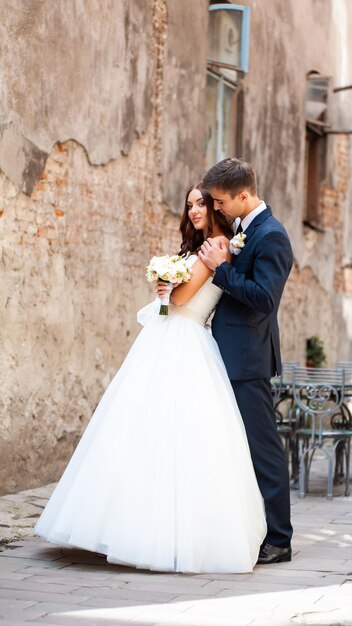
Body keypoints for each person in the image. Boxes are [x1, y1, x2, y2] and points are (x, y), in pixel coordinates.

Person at [35, 183, 267, 574]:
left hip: (187, 341)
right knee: (138, 430)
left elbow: (179, 301)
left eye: (202, 204)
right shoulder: (197, 250)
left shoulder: (217, 249)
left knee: (178, 435)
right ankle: (119, 524)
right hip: (167, 338)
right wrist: (165, 285)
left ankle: (173, 535)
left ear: (217, 207)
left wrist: (167, 287)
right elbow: (169, 302)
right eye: (189, 204)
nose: (194, 211)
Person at [199, 158, 293, 564]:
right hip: (228, 355)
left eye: (220, 201)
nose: (215, 207)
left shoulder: (272, 236)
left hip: (249, 359)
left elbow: (263, 299)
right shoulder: (241, 229)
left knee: (263, 450)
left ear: (243, 195)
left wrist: (221, 270)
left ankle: (279, 539)